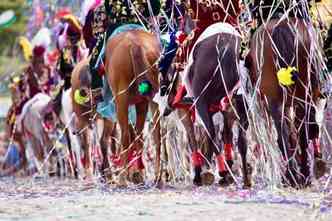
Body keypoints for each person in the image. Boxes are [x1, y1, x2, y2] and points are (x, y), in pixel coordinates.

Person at [161, 0, 242, 107]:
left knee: (181, 51)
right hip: (230, 27)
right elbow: (237, 10)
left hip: (204, 29)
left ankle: (179, 90)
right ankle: (249, 79)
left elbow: (192, 14)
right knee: (246, 49)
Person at [84, 0, 161, 100]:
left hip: (118, 28)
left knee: (95, 57)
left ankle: (97, 90)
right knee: (161, 49)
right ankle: (163, 81)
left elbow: (108, 10)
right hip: (140, 27)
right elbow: (156, 9)